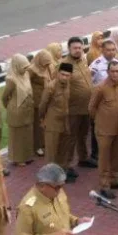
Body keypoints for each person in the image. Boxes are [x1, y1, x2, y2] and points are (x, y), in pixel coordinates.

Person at [88, 59, 118, 199]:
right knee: (104, 159)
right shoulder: (100, 88)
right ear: (108, 72)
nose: (115, 74)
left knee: (117, 156)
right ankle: (104, 185)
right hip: (104, 130)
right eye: (113, 71)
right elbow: (91, 108)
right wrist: (99, 121)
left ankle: (114, 180)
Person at [60, 37, 94, 174]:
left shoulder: (83, 61)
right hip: (72, 109)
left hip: (86, 107)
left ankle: (83, 158)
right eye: (75, 48)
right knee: (70, 138)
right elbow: (61, 88)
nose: (78, 50)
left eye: (80, 48)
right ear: (69, 49)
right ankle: (66, 166)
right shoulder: (65, 65)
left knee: (83, 134)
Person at [1, 54, 35, 166]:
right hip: (16, 111)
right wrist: (10, 107)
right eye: (23, 67)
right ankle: (18, 158)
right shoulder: (11, 79)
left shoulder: (26, 75)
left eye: (26, 66)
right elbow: (5, 97)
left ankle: (27, 155)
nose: (26, 69)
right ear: (17, 66)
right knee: (17, 137)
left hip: (27, 109)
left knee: (27, 134)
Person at [39, 62, 72, 167]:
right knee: (51, 153)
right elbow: (42, 105)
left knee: (63, 150)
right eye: (62, 74)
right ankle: (49, 177)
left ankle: (61, 172)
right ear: (58, 74)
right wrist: (42, 119)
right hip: (52, 123)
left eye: (67, 75)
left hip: (64, 123)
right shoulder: (51, 87)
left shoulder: (68, 85)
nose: (64, 77)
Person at [28, 49, 55, 157]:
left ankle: (44, 143)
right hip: (37, 100)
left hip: (47, 99)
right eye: (45, 63)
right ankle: (37, 146)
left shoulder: (48, 66)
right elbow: (26, 84)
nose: (46, 65)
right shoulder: (32, 70)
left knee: (46, 122)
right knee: (38, 124)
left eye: (48, 63)